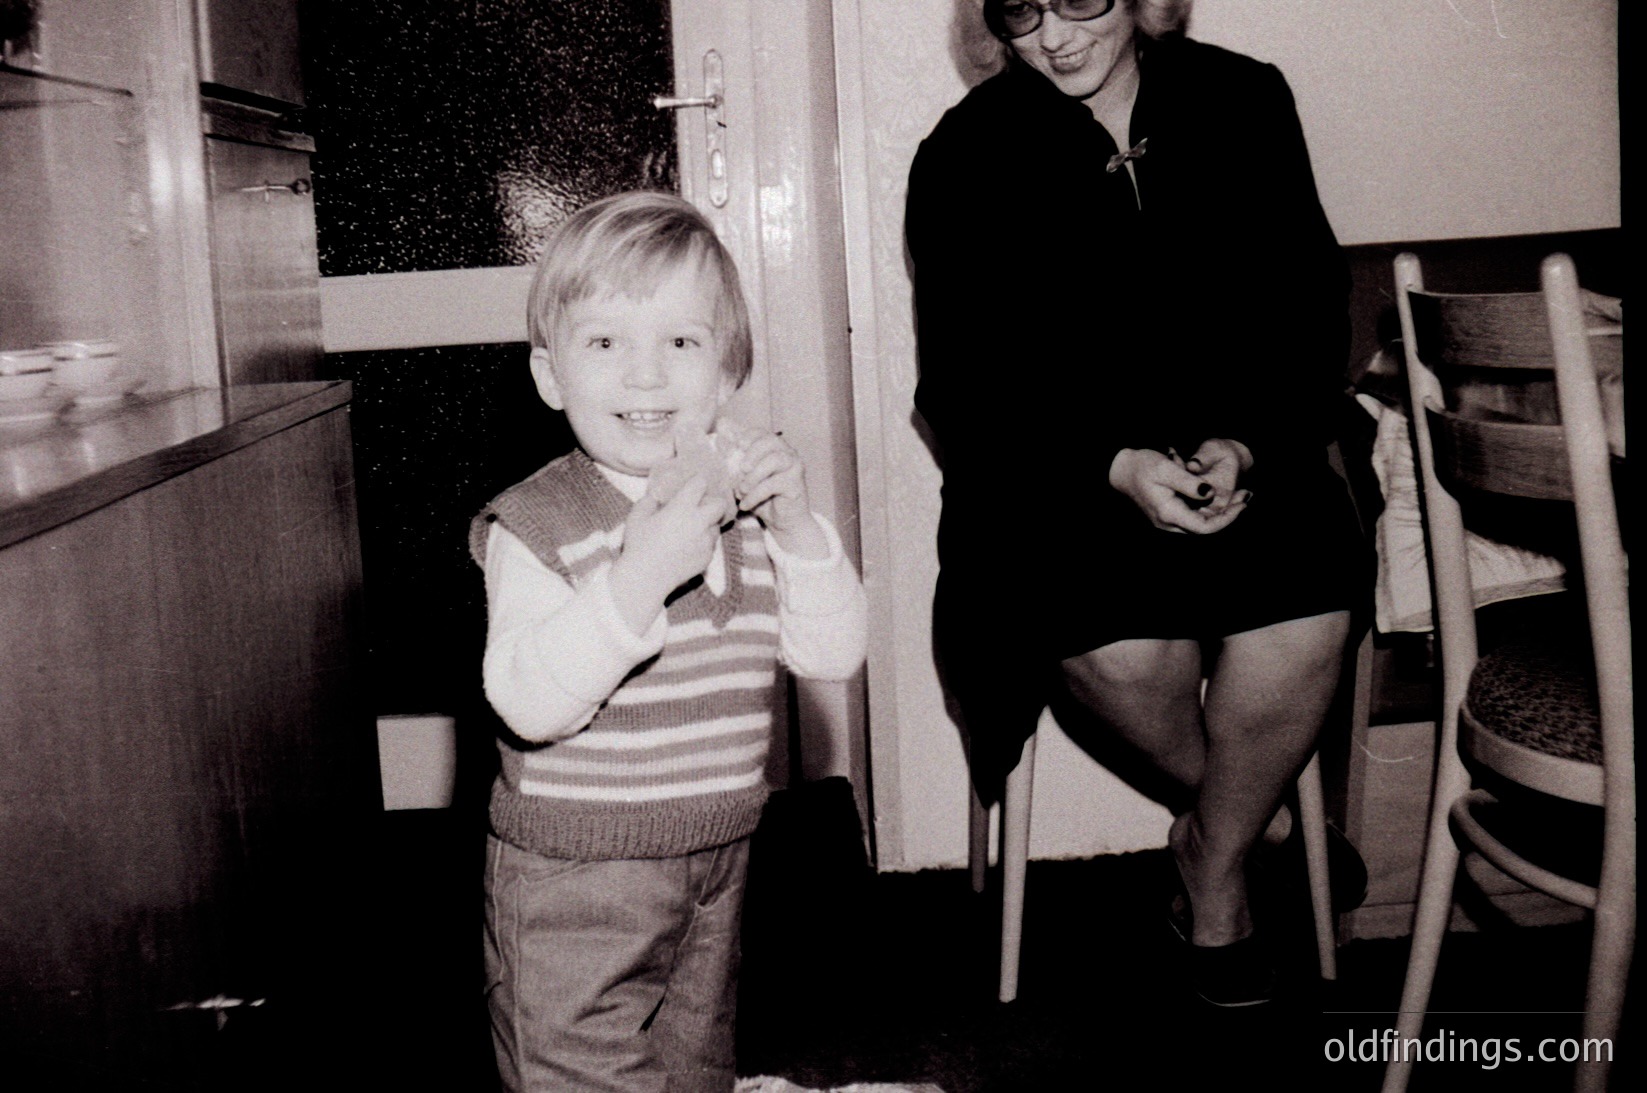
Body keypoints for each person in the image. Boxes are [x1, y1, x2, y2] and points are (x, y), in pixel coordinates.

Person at [906, 0, 1371, 1006]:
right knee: (1119, 645)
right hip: (1059, 476)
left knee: (1306, 605)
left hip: (1242, 450)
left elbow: (1309, 304)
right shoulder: (964, 153)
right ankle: (1257, 823)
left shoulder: (1244, 98)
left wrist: (1244, 442)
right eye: (1020, 10)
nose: (1054, 36)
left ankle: (1210, 867)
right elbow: (962, 386)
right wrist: (1114, 466)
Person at [472, 190, 867, 1090]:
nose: (645, 377)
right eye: (605, 343)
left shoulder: (744, 506)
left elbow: (833, 653)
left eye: (681, 343)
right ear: (550, 376)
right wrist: (637, 573)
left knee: (694, 1064)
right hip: (576, 875)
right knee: (578, 1072)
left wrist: (799, 528)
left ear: (728, 373)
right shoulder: (535, 524)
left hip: (715, 861)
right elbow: (527, 702)